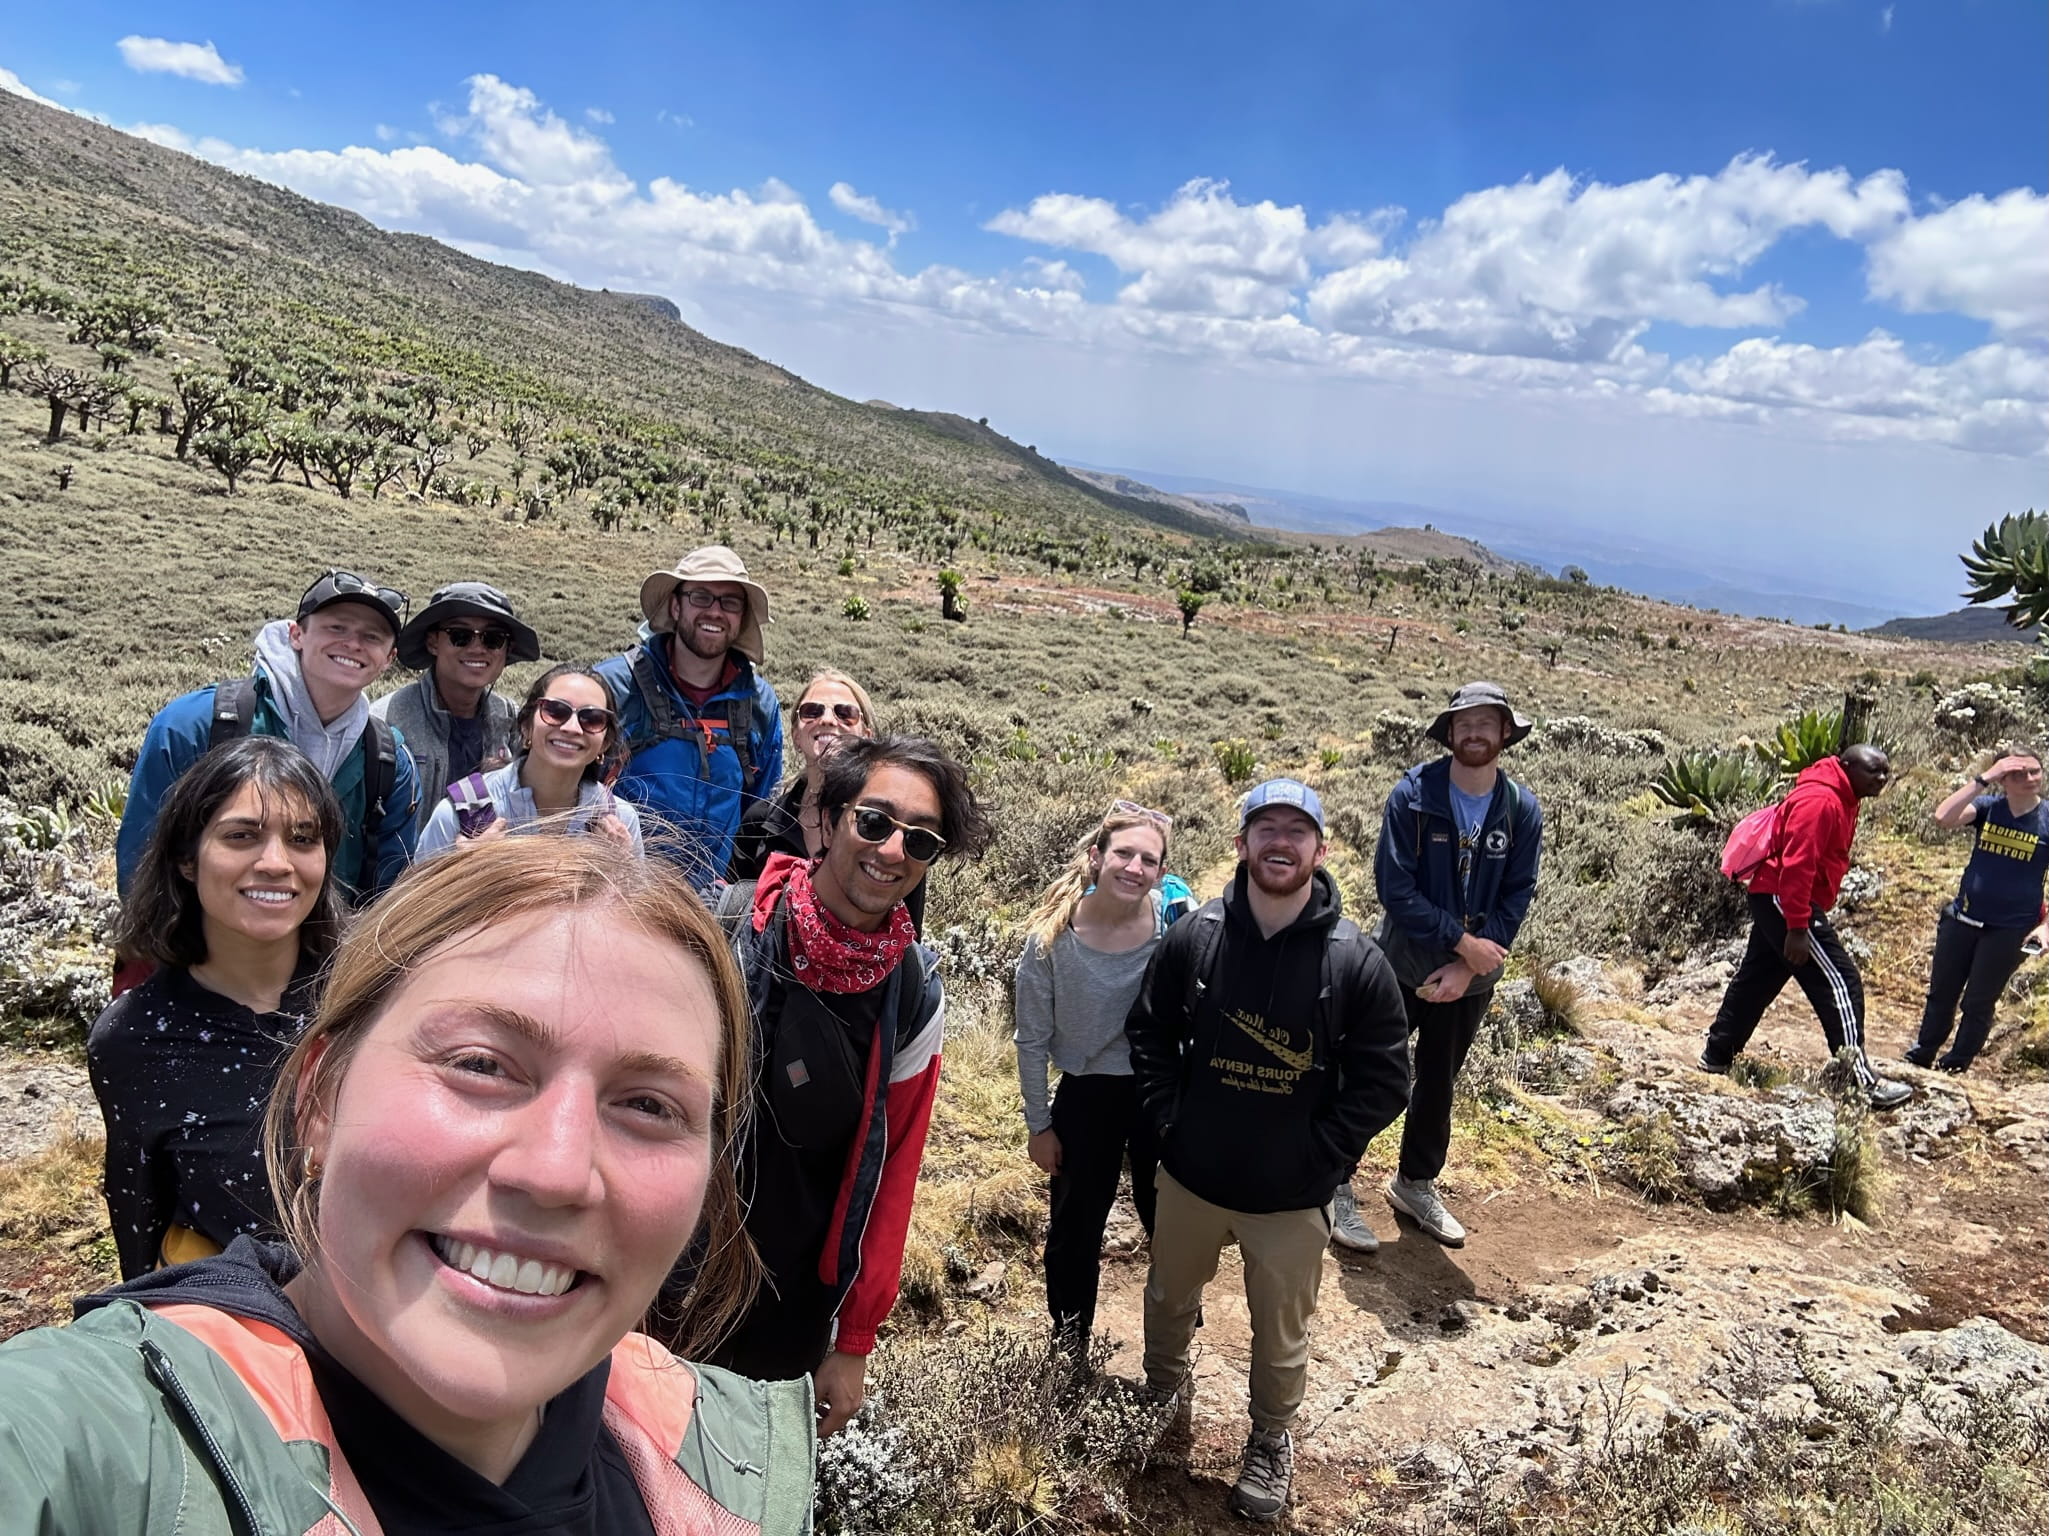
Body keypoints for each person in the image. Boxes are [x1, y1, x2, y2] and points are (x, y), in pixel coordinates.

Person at [0, 837, 817, 1532]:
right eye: (480, 1064)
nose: (556, 1172)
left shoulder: (727, 1461)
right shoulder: (87, 1444)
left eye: (648, 1105)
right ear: (321, 1096)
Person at [684, 736, 993, 1436]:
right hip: (668, 1268)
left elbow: (893, 1173)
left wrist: (854, 1339)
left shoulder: (913, 994)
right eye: (874, 822)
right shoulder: (722, 929)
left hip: (793, 1299)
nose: (892, 851)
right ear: (828, 819)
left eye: (921, 840)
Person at [1127, 779, 1410, 1524]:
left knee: (1281, 1334)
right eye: (1265, 828)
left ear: (1320, 850)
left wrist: (1323, 1155)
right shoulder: (1197, 936)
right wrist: (1169, 1121)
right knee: (1167, 1299)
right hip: (1191, 1176)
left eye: (1296, 831)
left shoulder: (1355, 961)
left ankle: (1270, 1439)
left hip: (1290, 1196)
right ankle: (1162, 1392)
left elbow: (1385, 1081)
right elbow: (1150, 1030)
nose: (1280, 842)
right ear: (1241, 843)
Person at [89, 737, 345, 1279]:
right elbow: (138, 1213)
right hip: (234, 1314)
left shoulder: (368, 995)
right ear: (186, 859)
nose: (276, 863)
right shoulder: (134, 1038)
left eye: (303, 839)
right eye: (241, 836)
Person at [117, 570, 421, 908]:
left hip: (334, 943)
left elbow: (386, 898)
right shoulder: (193, 724)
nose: (353, 644)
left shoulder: (390, 763)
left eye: (372, 636)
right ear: (296, 634)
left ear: (389, 658)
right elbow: (141, 865)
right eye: (337, 627)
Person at [1367, 680, 1544, 1251]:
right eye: (1464, 723)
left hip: (1471, 979)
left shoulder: (1520, 810)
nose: (1474, 732)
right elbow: (1395, 889)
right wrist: (1463, 944)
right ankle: (1335, 1180)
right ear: (1449, 732)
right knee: (1369, 1070)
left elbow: (1517, 894)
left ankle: (1415, 1184)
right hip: (1403, 964)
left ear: (1504, 733)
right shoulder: (1413, 796)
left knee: (1439, 1080)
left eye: (1486, 723)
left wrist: (1470, 966)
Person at [1014, 801, 1173, 1359]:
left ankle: (1173, 1340)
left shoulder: (1175, 925)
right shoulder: (1050, 942)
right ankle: (1069, 1345)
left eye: (1148, 860)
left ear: (1161, 871)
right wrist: (1040, 1126)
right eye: (1124, 853)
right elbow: (1031, 1041)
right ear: (1097, 857)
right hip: (1086, 1094)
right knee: (1075, 1227)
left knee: (1171, 1219)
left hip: (1159, 1087)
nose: (1134, 867)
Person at [1701, 743, 1914, 1109]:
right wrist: (1798, 927)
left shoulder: (1843, 796)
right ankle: (1859, 1080)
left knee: (1758, 979)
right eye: (1873, 770)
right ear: (1846, 766)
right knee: (1841, 980)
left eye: (1886, 772)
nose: (1881, 778)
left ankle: (1716, 1055)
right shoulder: (1822, 801)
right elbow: (1797, 866)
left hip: (1776, 896)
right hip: (1784, 898)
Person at [598, 546, 783, 891]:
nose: (715, 611)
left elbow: (759, 813)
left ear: (741, 617)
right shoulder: (616, 687)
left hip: (712, 904)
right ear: (675, 605)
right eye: (701, 597)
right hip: (621, 891)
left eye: (730, 602)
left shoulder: (759, 705)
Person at [728, 668, 928, 933]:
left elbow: (907, 934)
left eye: (845, 713)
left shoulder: (894, 831)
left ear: (866, 735)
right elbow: (732, 920)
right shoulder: (760, 822)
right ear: (796, 735)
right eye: (812, 711)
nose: (827, 720)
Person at [1907, 747, 2049, 1073]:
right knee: (1942, 994)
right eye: (2018, 773)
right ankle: (1921, 1055)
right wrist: (1983, 778)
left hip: (2011, 929)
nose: (2029, 778)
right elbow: (1943, 817)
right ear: (2003, 780)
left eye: (2034, 771)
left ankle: (1955, 1065)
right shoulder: (1988, 807)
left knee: (1979, 1001)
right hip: (1963, 918)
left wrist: (2045, 928)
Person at [416, 665, 644, 858]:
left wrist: (620, 869)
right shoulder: (462, 812)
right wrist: (466, 872)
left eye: (592, 718)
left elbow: (636, 897)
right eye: (555, 711)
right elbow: (416, 896)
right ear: (526, 726)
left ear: (605, 742)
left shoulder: (621, 821)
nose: (572, 728)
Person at [371, 581, 541, 832]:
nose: (477, 648)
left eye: (493, 639)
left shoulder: (512, 721)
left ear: (508, 650)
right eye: (460, 635)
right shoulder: (385, 722)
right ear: (433, 642)